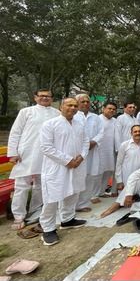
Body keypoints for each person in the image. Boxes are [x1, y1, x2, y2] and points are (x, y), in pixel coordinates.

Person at [38, 98, 89, 246]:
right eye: (69, 105)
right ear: (61, 107)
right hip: (57, 168)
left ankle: (67, 219)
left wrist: (81, 156)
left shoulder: (79, 124)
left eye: (75, 105)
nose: (72, 108)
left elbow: (86, 142)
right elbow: (46, 147)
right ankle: (48, 229)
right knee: (52, 198)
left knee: (73, 193)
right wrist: (67, 160)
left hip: (77, 164)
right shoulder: (50, 124)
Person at [7, 88, 60, 230]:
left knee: (42, 185)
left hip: (47, 155)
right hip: (27, 153)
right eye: (42, 96)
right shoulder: (26, 112)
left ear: (52, 99)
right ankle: (18, 216)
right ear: (35, 97)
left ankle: (35, 211)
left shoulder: (57, 114)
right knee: (21, 186)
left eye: (48, 96)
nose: (45, 98)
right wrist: (13, 152)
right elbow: (15, 132)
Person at [74, 94, 104, 212]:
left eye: (87, 101)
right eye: (83, 102)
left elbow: (101, 132)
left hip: (92, 150)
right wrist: (83, 146)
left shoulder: (96, 117)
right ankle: (72, 205)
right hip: (77, 152)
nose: (86, 104)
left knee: (90, 177)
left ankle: (82, 204)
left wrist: (93, 142)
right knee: (77, 177)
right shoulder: (74, 116)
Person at [115, 125, 140, 193]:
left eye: (139, 131)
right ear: (131, 133)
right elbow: (119, 163)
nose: (137, 133)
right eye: (135, 131)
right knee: (125, 200)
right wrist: (119, 180)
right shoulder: (124, 145)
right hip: (127, 177)